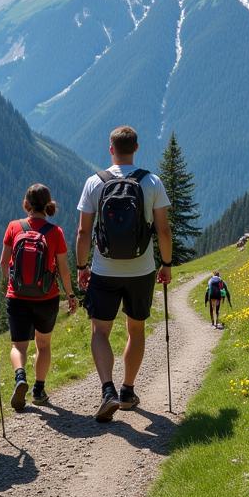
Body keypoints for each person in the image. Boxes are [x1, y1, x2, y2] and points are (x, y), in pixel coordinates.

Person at [76, 125, 172, 422]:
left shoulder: (95, 182)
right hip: (141, 269)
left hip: (104, 270)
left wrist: (81, 267)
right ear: (136, 148)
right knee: (136, 329)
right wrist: (166, 264)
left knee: (100, 331)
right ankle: (128, 390)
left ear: (111, 149)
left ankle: (108, 390)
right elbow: (164, 230)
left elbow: (83, 231)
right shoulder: (151, 181)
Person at [0, 183, 77, 411]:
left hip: (18, 296)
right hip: (47, 297)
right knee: (43, 345)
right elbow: (63, 269)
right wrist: (70, 294)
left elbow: (4, 263)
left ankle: (20, 376)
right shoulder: (55, 233)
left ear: (26, 204)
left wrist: (10, 284)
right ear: (48, 205)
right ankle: (39, 389)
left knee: (18, 345)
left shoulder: (14, 227)